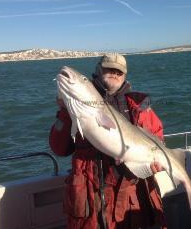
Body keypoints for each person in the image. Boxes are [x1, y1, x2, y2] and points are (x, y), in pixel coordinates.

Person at [49, 53, 167, 229]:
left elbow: (158, 140)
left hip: (132, 195)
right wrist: (66, 112)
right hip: (94, 197)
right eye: (109, 69)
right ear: (98, 70)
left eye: (119, 72)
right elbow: (59, 149)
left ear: (125, 76)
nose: (114, 73)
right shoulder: (76, 104)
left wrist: (154, 165)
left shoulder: (139, 106)